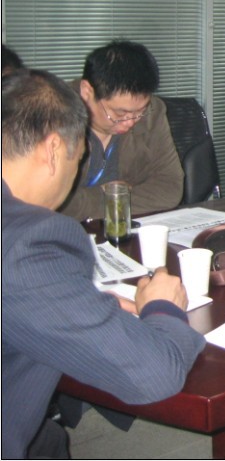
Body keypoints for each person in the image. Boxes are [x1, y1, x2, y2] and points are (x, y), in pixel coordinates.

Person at [1, 69, 204, 459]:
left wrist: (77, 301)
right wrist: (163, 308)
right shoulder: (28, 242)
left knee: (49, 442)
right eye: (78, 157)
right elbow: (154, 374)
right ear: (53, 150)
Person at [59, 40, 184, 220]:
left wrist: (92, 200)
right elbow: (47, 201)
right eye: (119, 113)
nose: (130, 122)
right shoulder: (53, 115)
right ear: (87, 91)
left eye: (139, 112)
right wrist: (115, 196)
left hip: (124, 227)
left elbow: (170, 188)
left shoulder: (152, 112)